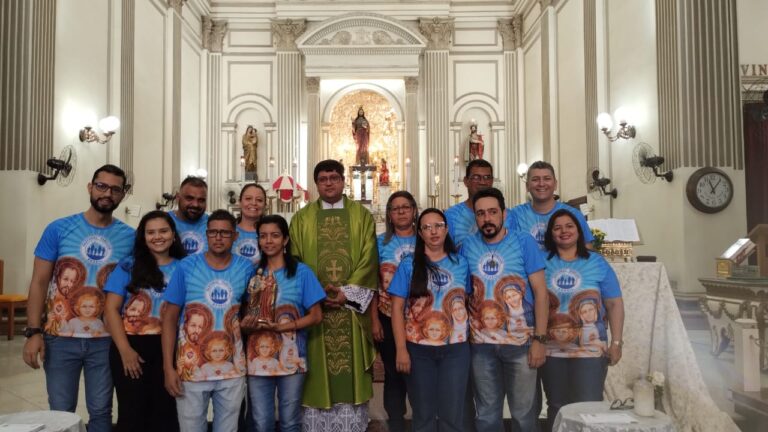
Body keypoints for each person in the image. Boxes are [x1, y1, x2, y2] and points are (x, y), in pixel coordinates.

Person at [21, 164, 135, 432]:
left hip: (105, 340)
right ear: (90, 187)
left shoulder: (131, 238)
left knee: (101, 410)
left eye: (115, 189)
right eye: (102, 186)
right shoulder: (59, 229)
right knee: (61, 412)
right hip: (59, 339)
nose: (107, 193)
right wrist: (33, 331)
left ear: (122, 195)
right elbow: (39, 282)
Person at [289, 159, 379, 431]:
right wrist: (316, 295)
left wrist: (346, 294)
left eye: (334, 177)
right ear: (316, 183)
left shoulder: (361, 216)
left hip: (350, 312)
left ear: (343, 181)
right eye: (323, 178)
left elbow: (369, 259)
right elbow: (295, 261)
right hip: (315, 312)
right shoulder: (302, 218)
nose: (329, 182)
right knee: (316, 368)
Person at [460, 187, 549, 432]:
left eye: (492, 212)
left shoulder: (523, 242)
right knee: (487, 415)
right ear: (475, 217)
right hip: (481, 345)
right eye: (480, 214)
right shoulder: (467, 246)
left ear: (503, 213)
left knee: (524, 414)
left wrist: (539, 339)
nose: (486, 219)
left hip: (520, 343)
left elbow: (541, 293)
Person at [162, 210, 255, 432]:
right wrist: (168, 367)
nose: (218, 237)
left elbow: (249, 312)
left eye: (224, 232)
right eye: (213, 232)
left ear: (235, 236)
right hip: (192, 367)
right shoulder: (186, 267)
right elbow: (169, 319)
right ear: (206, 235)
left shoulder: (246, 268)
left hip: (232, 367)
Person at [389, 208, 472, 432]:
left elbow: (467, 301)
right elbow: (397, 309)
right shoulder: (408, 264)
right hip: (418, 349)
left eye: (438, 226)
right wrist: (401, 349)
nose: (433, 231)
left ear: (446, 229)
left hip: (455, 349)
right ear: (420, 233)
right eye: (427, 227)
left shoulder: (461, 263)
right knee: (423, 414)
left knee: (452, 414)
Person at [541, 209, 624, 430]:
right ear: (551, 234)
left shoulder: (597, 262)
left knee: (589, 406)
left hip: (590, 350)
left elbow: (614, 304)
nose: (563, 231)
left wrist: (616, 342)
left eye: (569, 226)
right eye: (557, 228)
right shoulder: (541, 262)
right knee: (557, 406)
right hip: (551, 350)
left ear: (579, 231)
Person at [103, 210, 186, 432]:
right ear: (143, 237)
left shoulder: (185, 267)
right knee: (132, 415)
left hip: (170, 348)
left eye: (163, 231)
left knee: (167, 414)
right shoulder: (128, 266)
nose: (157, 237)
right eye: (151, 232)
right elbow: (110, 310)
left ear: (173, 235)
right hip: (133, 347)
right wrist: (125, 350)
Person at [244, 214, 325, 432]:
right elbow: (241, 314)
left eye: (275, 235)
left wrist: (282, 327)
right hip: (257, 357)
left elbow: (316, 316)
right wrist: (247, 323)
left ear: (286, 239)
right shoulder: (250, 272)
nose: (269, 241)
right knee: (261, 422)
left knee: (290, 421)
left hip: (291, 357)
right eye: (263, 236)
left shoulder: (301, 272)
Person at [370, 191, 418, 431]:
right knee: (393, 374)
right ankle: (396, 423)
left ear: (414, 210)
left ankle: (421, 421)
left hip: (421, 319)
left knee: (419, 375)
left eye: (405, 207)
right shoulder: (379, 243)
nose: (401, 212)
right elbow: (371, 283)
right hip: (388, 316)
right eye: (395, 208)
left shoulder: (425, 239)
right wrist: (374, 319)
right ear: (389, 214)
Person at [511, 161, 593, 249]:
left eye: (547, 178)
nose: (541, 184)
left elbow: (587, 250)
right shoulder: (516, 215)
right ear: (527, 186)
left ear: (555, 184)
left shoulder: (573, 215)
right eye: (535, 179)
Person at [444, 159, 515, 247]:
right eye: (476, 177)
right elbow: (446, 251)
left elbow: (514, 247)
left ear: (492, 181)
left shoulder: (507, 215)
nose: (482, 182)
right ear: (466, 181)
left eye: (487, 177)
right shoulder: (451, 215)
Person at [170, 176, 209, 255]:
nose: (195, 204)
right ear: (178, 197)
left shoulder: (213, 224)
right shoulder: (164, 222)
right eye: (189, 198)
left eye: (201, 200)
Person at [232, 183, 266, 264]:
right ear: (240, 202)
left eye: (259, 200)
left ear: (265, 205)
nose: (254, 203)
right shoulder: (229, 231)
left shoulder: (269, 233)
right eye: (248, 198)